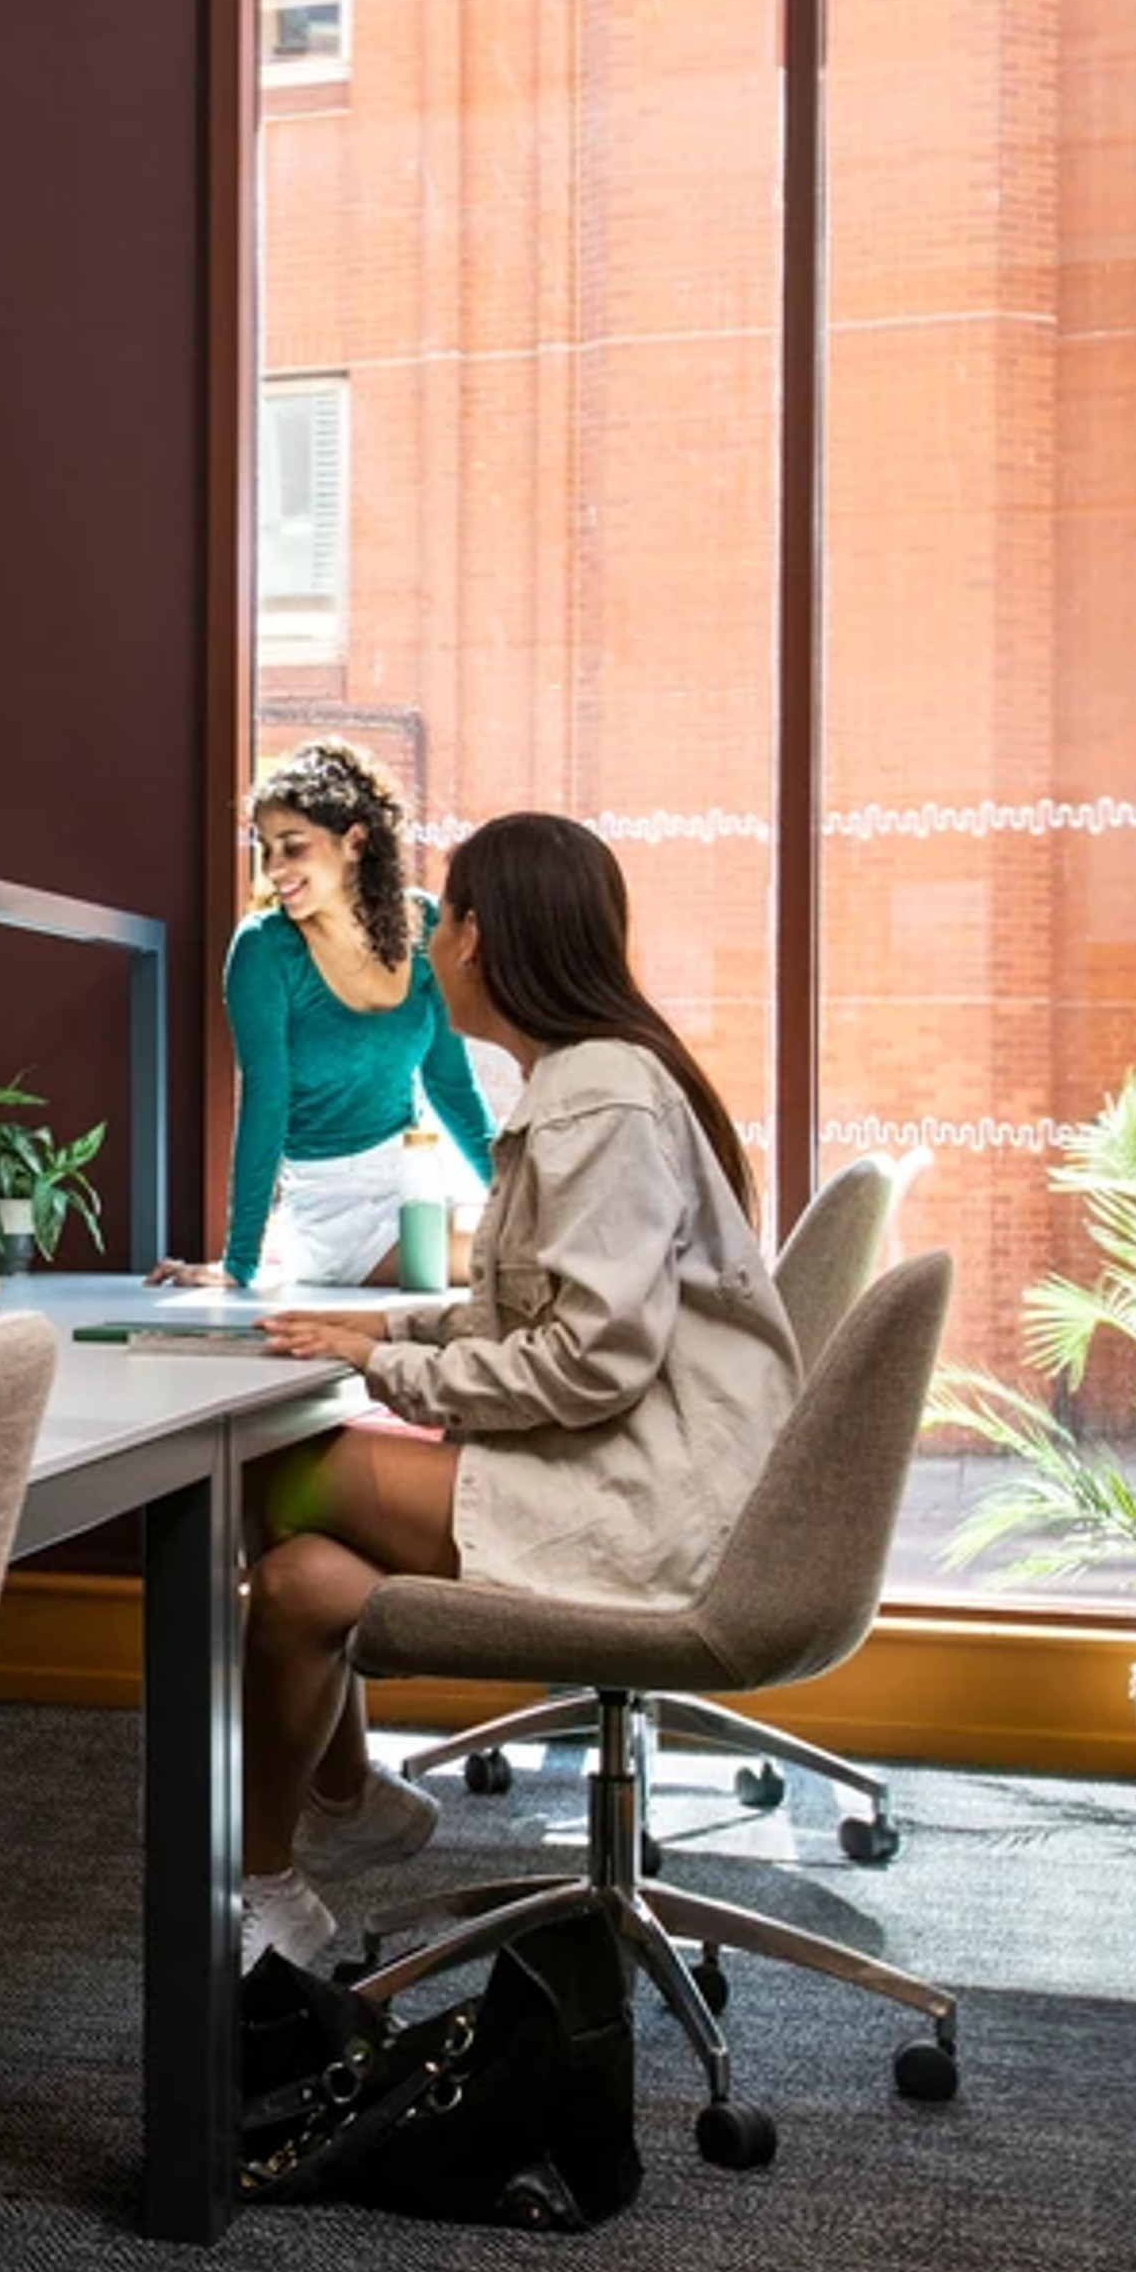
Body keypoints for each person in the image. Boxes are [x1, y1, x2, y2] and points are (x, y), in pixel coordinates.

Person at [231, 813, 801, 1972]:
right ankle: (286, 1865)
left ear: (481, 938)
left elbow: (588, 1359)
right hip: (640, 1465)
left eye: (441, 919)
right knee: (298, 1583)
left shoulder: (599, 1099)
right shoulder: (584, 1079)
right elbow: (541, 1313)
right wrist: (388, 1328)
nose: (427, 942)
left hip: (651, 1497)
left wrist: (385, 1365)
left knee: (276, 1472)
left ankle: (327, 1807)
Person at [148, 739, 497, 1292]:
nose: (274, 868)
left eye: (293, 847)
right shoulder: (264, 949)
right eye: (265, 849)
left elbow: (451, 1084)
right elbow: (265, 1102)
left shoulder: (424, 923)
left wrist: (512, 1194)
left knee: (530, 1241)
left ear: (354, 841)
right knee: (510, 1262)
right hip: (334, 1208)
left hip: (420, 1178)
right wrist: (239, 1263)